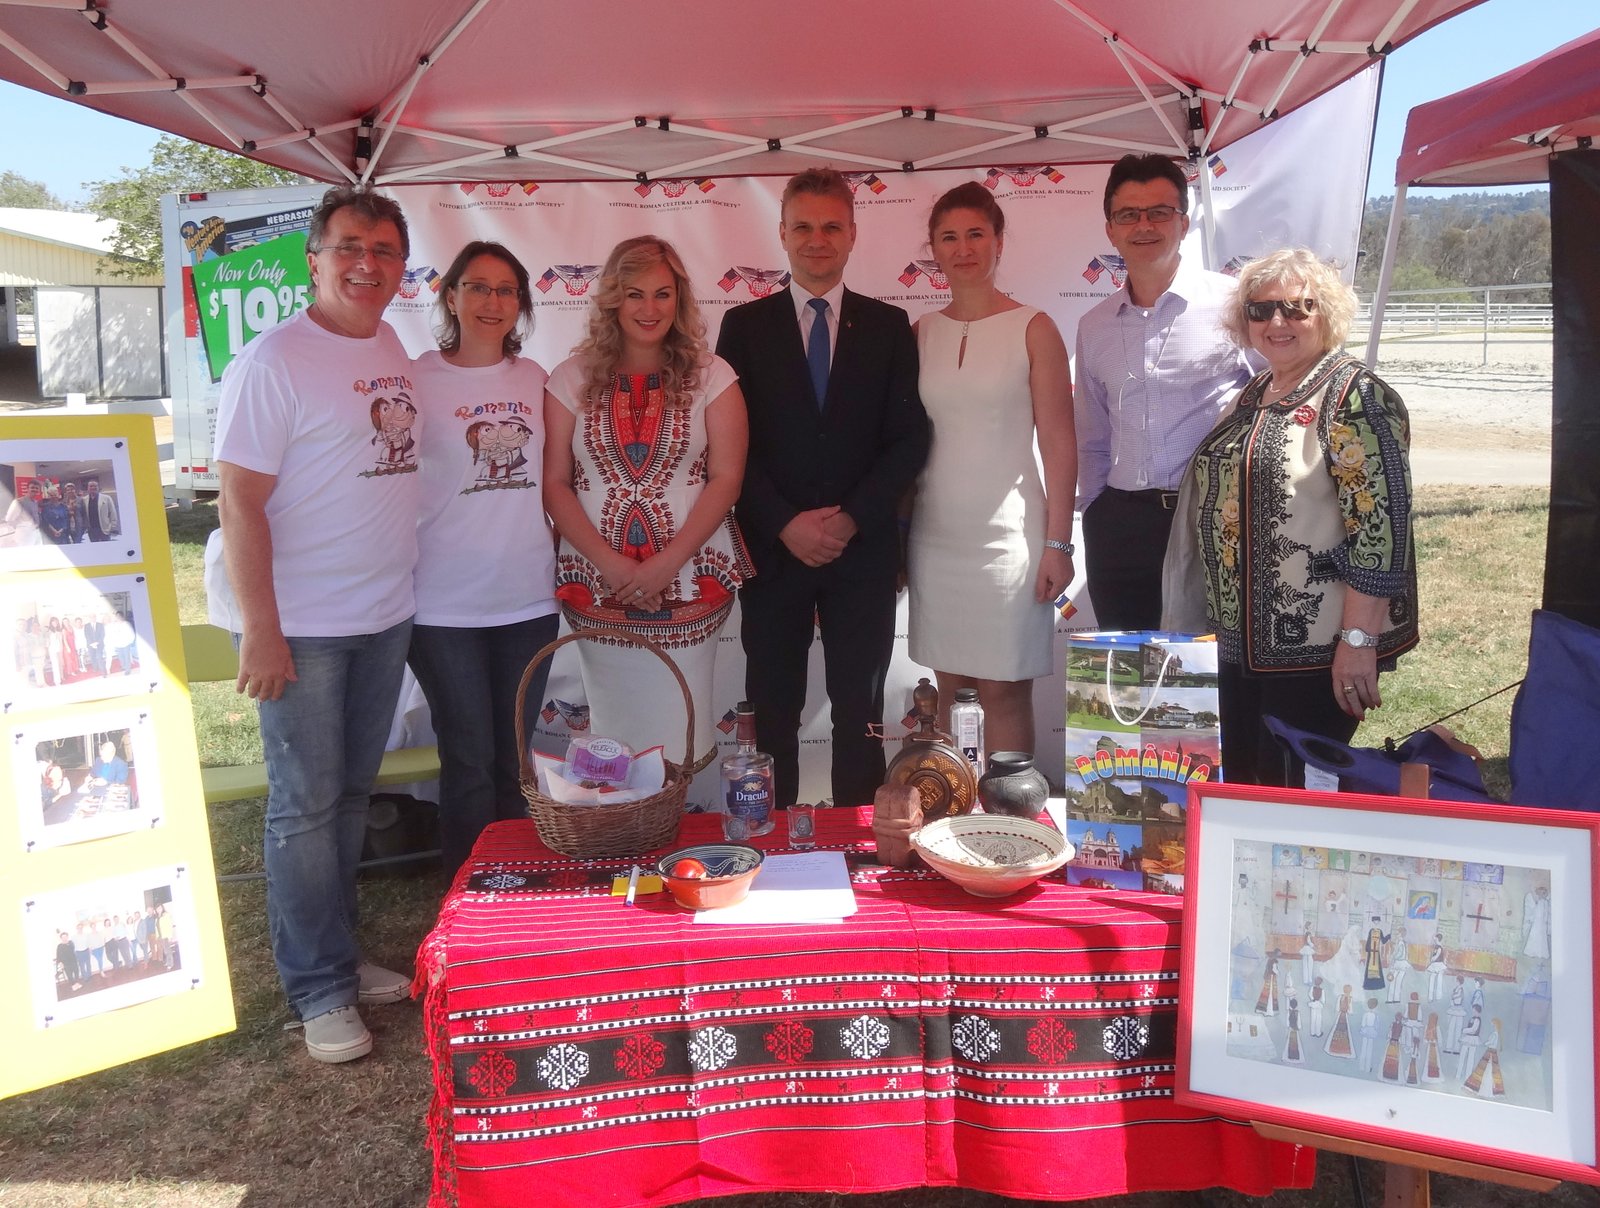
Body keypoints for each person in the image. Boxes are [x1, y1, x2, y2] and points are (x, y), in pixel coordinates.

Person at [214, 185, 420, 1064]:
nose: (366, 264)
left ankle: (339, 953)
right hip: (302, 626)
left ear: (401, 266)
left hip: (384, 614)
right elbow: (238, 501)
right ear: (314, 258)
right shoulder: (273, 362)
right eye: (348, 246)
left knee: (347, 799)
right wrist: (262, 630)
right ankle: (318, 988)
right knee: (303, 808)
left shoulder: (391, 344)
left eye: (383, 249)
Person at [717, 168, 930, 808]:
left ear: (853, 234)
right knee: (773, 710)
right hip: (772, 552)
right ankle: (772, 839)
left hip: (860, 554)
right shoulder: (742, 326)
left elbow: (908, 440)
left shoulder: (889, 326)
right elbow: (729, 446)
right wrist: (784, 522)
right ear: (782, 233)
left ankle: (858, 841)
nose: (817, 239)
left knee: (860, 714)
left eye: (832, 226)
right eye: (804, 227)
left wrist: (851, 518)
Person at [1176, 248, 1418, 785]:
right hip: (1238, 645)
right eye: (1260, 310)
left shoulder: (1355, 397)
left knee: (1290, 789)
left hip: (1317, 650)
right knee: (1242, 784)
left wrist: (1358, 643)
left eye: (1296, 308)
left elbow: (1381, 533)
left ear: (1325, 314)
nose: (1276, 322)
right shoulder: (1255, 392)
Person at [544, 236, 751, 772]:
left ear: (679, 299)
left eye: (663, 294)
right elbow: (556, 483)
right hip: (598, 586)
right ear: (613, 299)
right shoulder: (569, 378)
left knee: (680, 733)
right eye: (635, 294)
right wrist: (612, 565)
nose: (649, 308)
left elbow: (727, 479)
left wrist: (667, 563)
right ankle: (622, 819)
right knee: (614, 735)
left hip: (690, 583)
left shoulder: (713, 376)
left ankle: (673, 820)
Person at [907, 183, 1075, 755]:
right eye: (949, 237)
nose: (963, 249)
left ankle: (1008, 807)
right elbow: (906, 445)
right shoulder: (920, 332)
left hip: (1011, 543)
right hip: (935, 539)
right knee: (951, 691)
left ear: (999, 240)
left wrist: (1059, 543)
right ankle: (956, 807)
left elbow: (1059, 442)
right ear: (933, 249)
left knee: (1003, 691)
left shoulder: (1035, 327)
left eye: (976, 234)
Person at [409, 241, 559, 876]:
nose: (492, 302)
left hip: (527, 599)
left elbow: (560, 482)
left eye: (506, 290)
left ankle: (514, 886)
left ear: (519, 304)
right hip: (442, 606)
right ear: (451, 296)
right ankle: (468, 894)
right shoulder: (414, 378)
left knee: (514, 757)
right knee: (468, 758)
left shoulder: (536, 379)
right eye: (477, 287)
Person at [1073, 154, 1256, 630]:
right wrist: (1095, 510)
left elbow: (1278, 397)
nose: (1144, 225)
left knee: (1212, 664)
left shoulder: (1233, 305)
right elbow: (1092, 436)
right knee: (1129, 667)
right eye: (1128, 215)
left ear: (1184, 222)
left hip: (1211, 517)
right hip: (1119, 525)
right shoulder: (1093, 326)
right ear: (1110, 229)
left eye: (1159, 212)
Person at [4, 480, 43, 545]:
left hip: (35, 532)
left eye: (36, 488)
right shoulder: (18, 502)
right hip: (24, 535)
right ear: (27, 489)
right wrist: (22, 527)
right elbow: (9, 519)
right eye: (32, 487)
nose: (34, 489)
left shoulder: (35, 502)